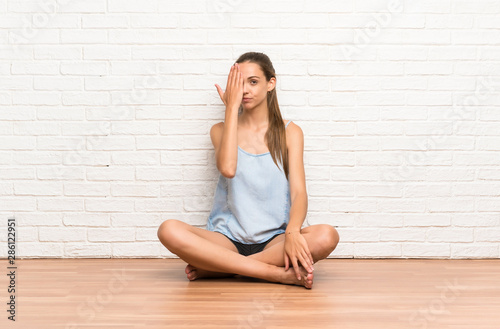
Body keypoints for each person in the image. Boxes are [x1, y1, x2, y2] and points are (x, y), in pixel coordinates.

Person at [157, 52, 340, 289]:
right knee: (168, 230)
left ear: (270, 84)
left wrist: (293, 232)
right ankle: (272, 273)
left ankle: (223, 268)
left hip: (274, 241)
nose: (245, 90)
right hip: (226, 239)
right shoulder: (220, 130)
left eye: (253, 82)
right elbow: (228, 169)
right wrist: (231, 109)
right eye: (239, 83)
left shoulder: (291, 132)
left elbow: (299, 193)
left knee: (327, 235)